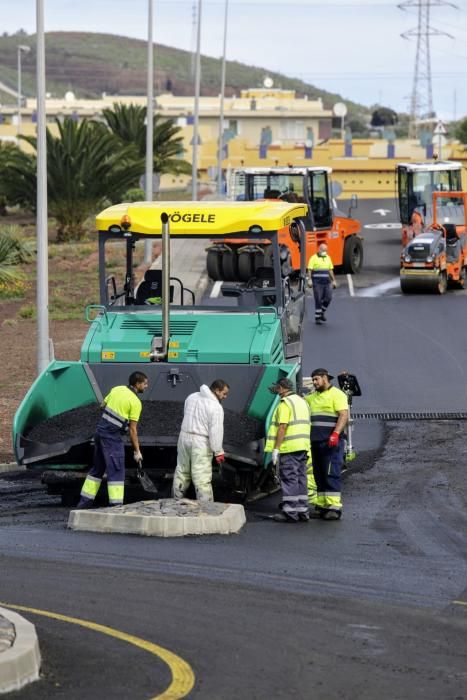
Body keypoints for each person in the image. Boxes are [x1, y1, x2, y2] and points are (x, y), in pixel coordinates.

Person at [77, 371, 149, 509]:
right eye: (145, 383)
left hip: (99, 433)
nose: (146, 386)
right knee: (116, 471)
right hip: (112, 438)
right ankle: (115, 507)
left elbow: (102, 406)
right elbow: (133, 430)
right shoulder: (135, 402)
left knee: (97, 469)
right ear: (137, 384)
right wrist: (137, 451)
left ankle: (84, 504)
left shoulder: (117, 389)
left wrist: (118, 421)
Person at [173, 379, 230, 502]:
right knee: (201, 477)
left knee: (182, 471)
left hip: (183, 437)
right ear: (216, 390)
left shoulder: (191, 397)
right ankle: (206, 507)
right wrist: (218, 451)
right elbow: (215, 431)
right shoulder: (216, 407)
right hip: (201, 442)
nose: (225, 397)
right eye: (224, 393)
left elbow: (186, 415)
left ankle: (176, 501)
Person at [305, 368, 348, 521]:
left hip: (331, 443)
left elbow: (343, 415)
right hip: (316, 442)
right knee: (319, 474)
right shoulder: (311, 398)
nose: (314, 383)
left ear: (325, 378)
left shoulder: (337, 395)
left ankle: (334, 507)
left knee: (331, 473)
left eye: (316, 379)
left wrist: (336, 434)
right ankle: (322, 506)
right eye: (313, 380)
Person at [265, 377, 310, 523]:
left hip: (289, 447)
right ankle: (302, 511)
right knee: (301, 478)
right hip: (303, 446)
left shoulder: (285, 403)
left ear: (282, 388)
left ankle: (290, 512)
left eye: (277, 388)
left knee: (289, 478)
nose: (276, 391)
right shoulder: (302, 402)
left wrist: (276, 448)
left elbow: (282, 427)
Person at [307, 243, 337, 324]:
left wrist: (334, 280)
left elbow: (330, 270)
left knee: (329, 297)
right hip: (317, 282)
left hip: (327, 282)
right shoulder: (313, 258)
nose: (325, 252)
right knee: (318, 299)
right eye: (323, 250)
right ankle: (317, 318)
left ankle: (322, 312)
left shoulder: (328, 258)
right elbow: (310, 269)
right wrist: (309, 280)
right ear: (319, 249)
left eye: (326, 250)